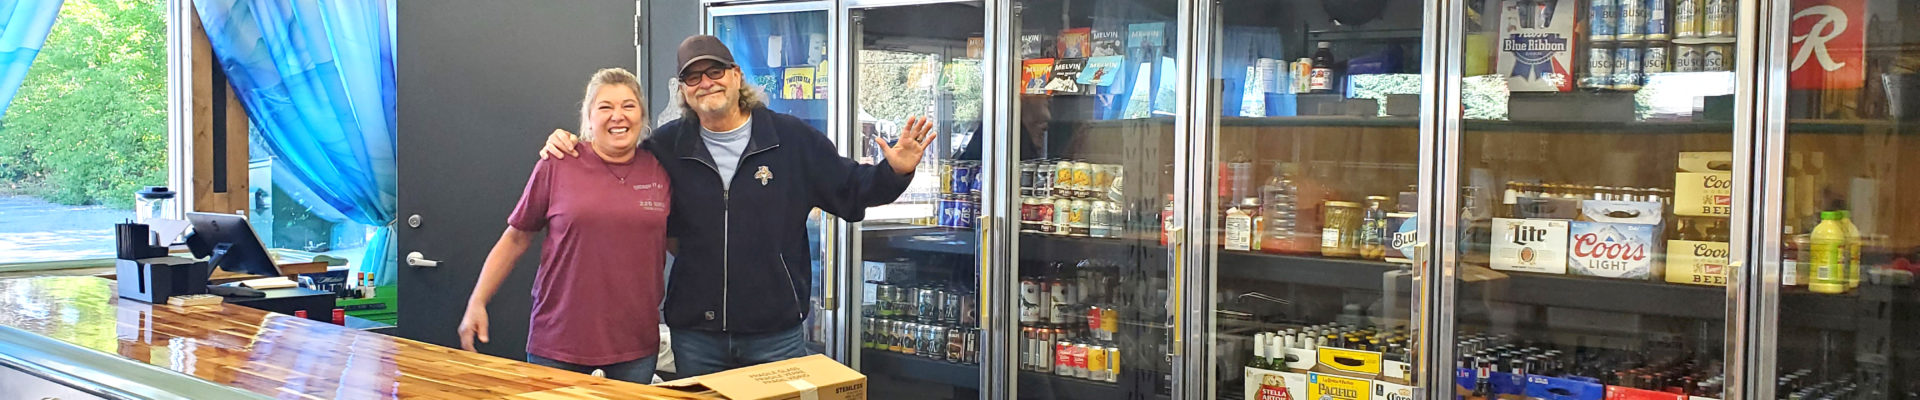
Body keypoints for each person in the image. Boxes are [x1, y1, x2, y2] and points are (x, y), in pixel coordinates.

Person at [539, 35, 935, 376]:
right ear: (683, 90)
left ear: (736, 75)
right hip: (696, 335)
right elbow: (615, 162)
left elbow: (852, 189)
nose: (706, 83)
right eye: (693, 77)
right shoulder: (667, 147)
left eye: (715, 71)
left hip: (775, 334)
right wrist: (573, 145)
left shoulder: (791, 139)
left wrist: (894, 171)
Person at [459, 68, 670, 384]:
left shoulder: (660, 169)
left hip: (634, 343)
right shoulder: (557, 162)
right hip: (559, 339)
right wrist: (477, 300)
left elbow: (679, 240)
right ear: (588, 118)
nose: (618, 116)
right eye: (605, 107)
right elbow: (516, 238)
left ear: (642, 115)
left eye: (628, 106)